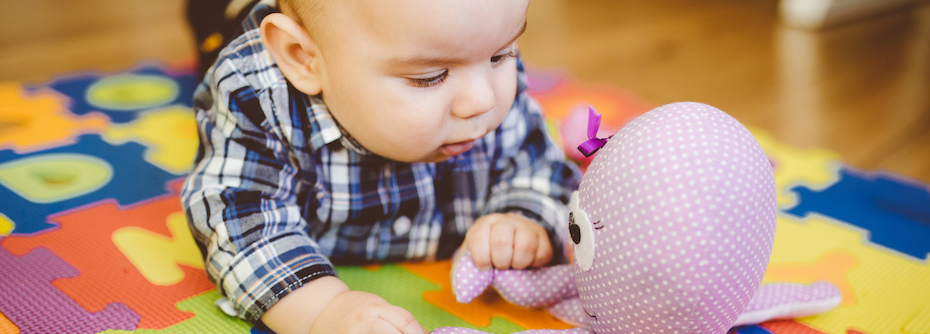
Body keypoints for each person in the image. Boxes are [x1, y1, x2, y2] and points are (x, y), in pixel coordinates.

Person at [181, 0, 582, 333]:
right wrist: (322, 310)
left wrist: (522, 217)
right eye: (431, 76)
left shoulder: (472, 47)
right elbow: (237, 216)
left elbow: (541, 168)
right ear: (303, 59)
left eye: (502, 54)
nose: (481, 99)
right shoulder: (257, 92)